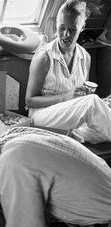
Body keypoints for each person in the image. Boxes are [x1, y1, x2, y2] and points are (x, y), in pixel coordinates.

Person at [25, 0, 111, 144]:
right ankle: (68, 134)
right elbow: (29, 101)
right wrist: (65, 97)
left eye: (72, 30)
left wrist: (103, 104)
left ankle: (70, 135)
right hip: (42, 116)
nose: (65, 34)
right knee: (91, 103)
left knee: (98, 121)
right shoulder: (44, 57)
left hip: (70, 118)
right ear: (56, 25)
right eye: (62, 28)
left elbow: (83, 99)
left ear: (82, 27)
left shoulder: (85, 57)